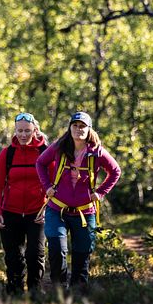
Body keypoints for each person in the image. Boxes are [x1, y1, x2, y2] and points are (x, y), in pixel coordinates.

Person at [35, 110, 121, 292]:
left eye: (83, 126)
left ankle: (78, 294)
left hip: (85, 212)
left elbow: (115, 171)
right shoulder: (59, 146)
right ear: (70, 127)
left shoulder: (97, 152)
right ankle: (59, 289)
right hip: (57, 210)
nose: (78, 129)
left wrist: (100, 192)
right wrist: (47, 186)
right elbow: (40, 163)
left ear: (89, 129)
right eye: (75, 125)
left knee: (83, 254)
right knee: (57, 250)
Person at [0, 111, 48, 295]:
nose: (23, 135)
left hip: (37, 214)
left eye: (27, 131)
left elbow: (55, 185)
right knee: (13, 258)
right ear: (15, 131)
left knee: (35, 255)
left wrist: (49, 209)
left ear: (35, 130)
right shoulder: (7, 154)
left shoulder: (44, 153)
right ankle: (14, 293)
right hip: (10, 213)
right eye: (20, 131)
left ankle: (35, 292)